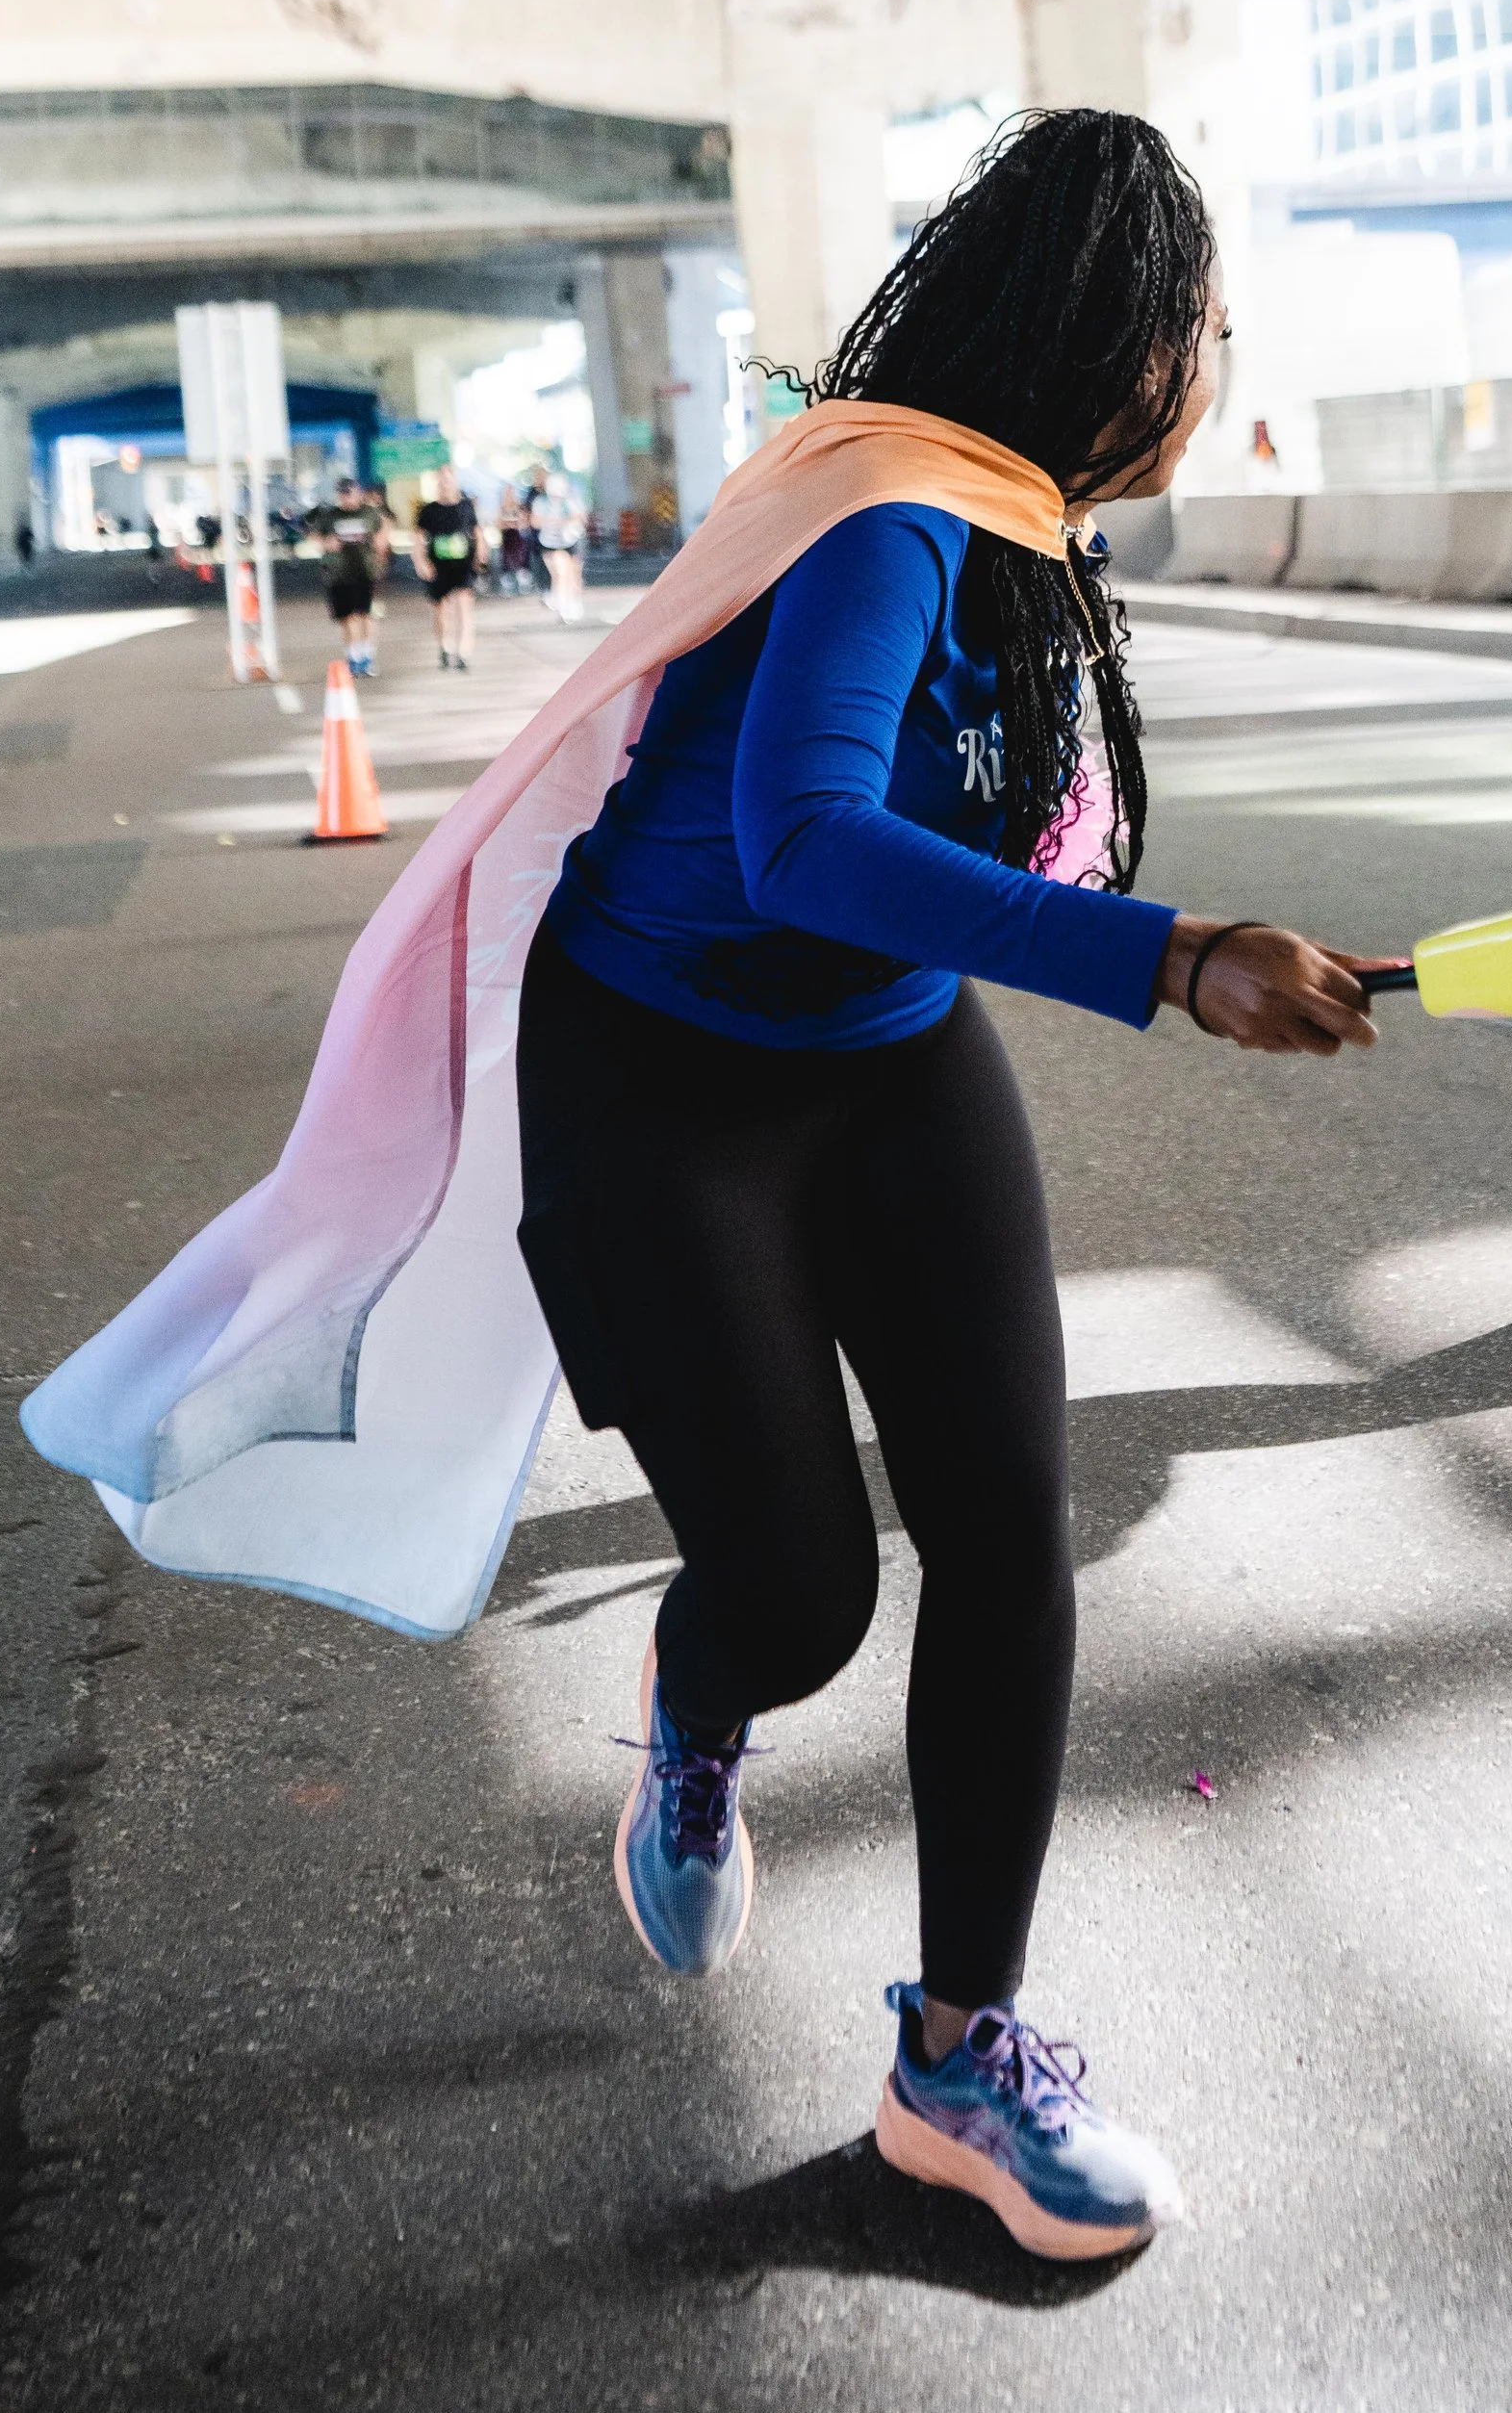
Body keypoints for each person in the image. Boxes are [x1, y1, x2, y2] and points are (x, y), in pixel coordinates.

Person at [514, 111, 1382, 2262]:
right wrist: (1167, 956)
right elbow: (804, 837)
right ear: (1108, 342)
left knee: (1008, 1538)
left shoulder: (1015, 519)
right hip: (663, 1077)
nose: (1207, 363)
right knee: (805, 1594)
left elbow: (983, 829)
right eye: (1194, 325)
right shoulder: (888, 505)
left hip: (888, 1058)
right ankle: (699, 1704)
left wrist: (1160, 933)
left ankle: (953, 2065)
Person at [312, 476, 387, 676]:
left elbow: (382, 534)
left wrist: (381, 556)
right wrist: (326, 543)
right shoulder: (330, 516)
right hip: (339, 574)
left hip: (366, 572)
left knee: (367, 615)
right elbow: (314, 534)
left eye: (350, 493)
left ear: (358, 492)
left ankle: (366, 656)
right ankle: (353, 656)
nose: (346, 498)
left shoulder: (369, 514)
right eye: (342, 494)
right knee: (347, 617)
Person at [413, 465, 481, 671]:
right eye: (441, 479)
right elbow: (418, 538)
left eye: (448, 479)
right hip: (438, 566)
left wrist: (481, 556)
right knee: (442, 611)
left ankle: (464, 652)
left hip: (463, 565)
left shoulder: (466, 507)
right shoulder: (429, 511)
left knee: (463, 607)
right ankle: (445, 647)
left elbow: (477, 532)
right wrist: (420, 562)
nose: (445, 483)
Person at [528, 467, 586, 624]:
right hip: (550, 543)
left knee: (572, 573)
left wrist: (566, 523)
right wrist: (553, 521)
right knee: (560, 572)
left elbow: (580, 518)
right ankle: (563, 606)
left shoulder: (571, 501)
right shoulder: (541, 502)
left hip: (570, 541)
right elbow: (534, 521)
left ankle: (572, 602)